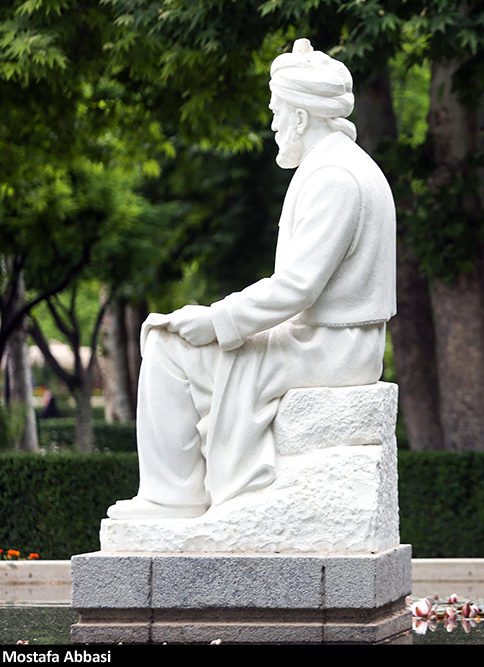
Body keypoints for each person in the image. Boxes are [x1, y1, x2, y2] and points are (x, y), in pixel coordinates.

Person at [108, 38, 396, 520]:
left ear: (300, 117)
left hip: (332, 349)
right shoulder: (338, 167)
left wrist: (218, 320)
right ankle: (180, 493)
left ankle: (172, 499)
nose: (274, 124)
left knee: (169, 345)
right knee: (180, 341)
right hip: (329, 340)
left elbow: (297, 287)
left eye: (277, 112)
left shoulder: (335, 177)